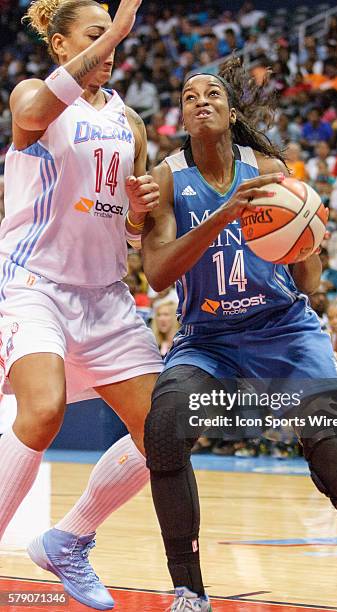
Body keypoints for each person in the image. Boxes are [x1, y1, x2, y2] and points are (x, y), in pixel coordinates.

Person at [141, 59, 337, 611]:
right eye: (188, 94)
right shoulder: (166, 178)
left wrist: (305, 233)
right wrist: (224, 216)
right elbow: (157, 274)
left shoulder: (270, 170)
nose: (201, 100)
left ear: (230, 112)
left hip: (286, 331)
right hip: (209, 339)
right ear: (180, 114)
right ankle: (189, 592)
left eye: (214, 93)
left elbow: (311, 284)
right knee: (165, 426)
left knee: (332, 458)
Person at [0, 1, 164, 610]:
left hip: (106, 296)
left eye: (115, 35)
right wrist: (119, 26)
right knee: (42, 412)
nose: (113, 46)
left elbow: (133, 228)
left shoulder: (131, 123)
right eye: (97, 36)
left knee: (168, 431)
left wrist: (144, 209)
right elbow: (34, 111)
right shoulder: (33, 97)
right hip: (34, 285)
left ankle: (67, 539)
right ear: (62, 46)